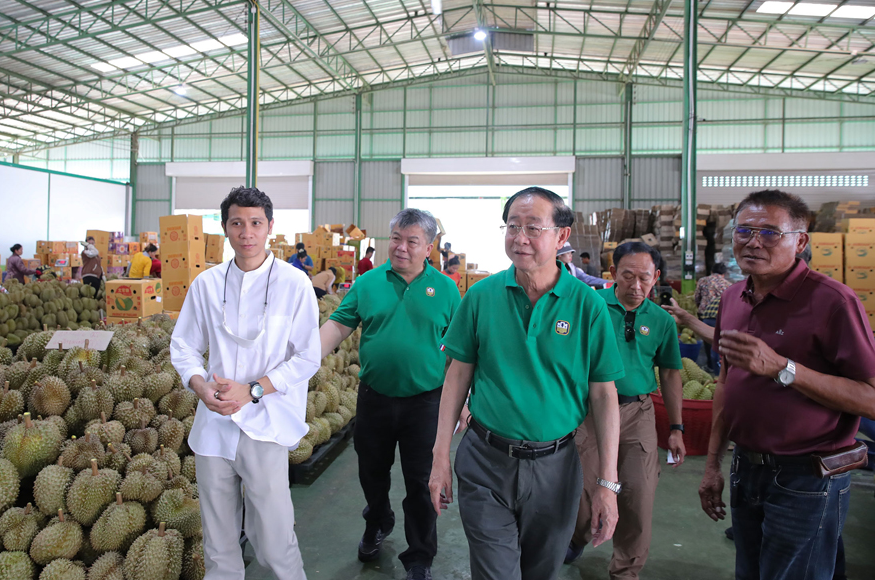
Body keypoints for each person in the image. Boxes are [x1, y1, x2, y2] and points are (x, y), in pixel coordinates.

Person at [429, 186, 625, 580]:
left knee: (542, 571)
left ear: (561, 236)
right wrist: (440, 455)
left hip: (557, 467)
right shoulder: (481, 297)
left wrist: (608, 483)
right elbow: (458, 375)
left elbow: (604, 394)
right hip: (485, 462)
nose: (520, 238)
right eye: (512, 226)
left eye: (533, 228)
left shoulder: (588, 306)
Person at [698, 189, 875, 580]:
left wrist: (783, 368)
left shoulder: (833, 302)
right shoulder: (733, 298)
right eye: (744, 230)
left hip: (807, 477)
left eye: (769, 233)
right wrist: (713, 465)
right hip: (747, 468)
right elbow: (727, 384)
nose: (753, 242)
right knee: (752, 571)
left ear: (800, 240)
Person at [170, 186, 320, 580]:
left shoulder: (294, 284)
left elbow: (307, 357)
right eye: (237, 223)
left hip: (265, 424)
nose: (247, 232)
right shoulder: (206, 284)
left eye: (255, 223)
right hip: (214, 425)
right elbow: (184, 346)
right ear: (225, 228)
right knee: (218, 545)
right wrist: (199, 385)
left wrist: (253, 389)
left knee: (273, 540)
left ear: (270, 226)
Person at [320, 208, 460, 580]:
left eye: (411, 241)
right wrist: (298, 362)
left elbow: (463, 352)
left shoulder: (446, 289)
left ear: (428, 247)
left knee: (421, 480)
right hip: (374, 398)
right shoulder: (368, 283)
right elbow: (337, 327)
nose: (400, 247)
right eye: (395, 238)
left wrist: (464, 402)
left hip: (426, 402)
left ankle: (419, 556)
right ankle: (378, 520)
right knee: (371, 472)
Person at [566, 241, 687, 578]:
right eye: (628, 276)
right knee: (583, 496)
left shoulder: (661, 320)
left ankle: (625, 572)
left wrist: (676, 428)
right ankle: (576, 536)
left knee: (637, 496)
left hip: (637, 414)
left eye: (645, 278)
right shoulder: (590, 306)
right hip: (588, 413)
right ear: (612, 274)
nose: (636, 286)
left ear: (656, 277)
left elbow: (670, 372)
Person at [695, 262, 732, 373]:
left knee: (707, 340)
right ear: (724, 274)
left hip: (705, 313)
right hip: (723, 315)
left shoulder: (703, 280)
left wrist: (699, 307)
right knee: (719, 342)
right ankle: (720, 368)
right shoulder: (728, 284)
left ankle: (710, 365)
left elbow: (697, 297)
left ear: (711, 271)